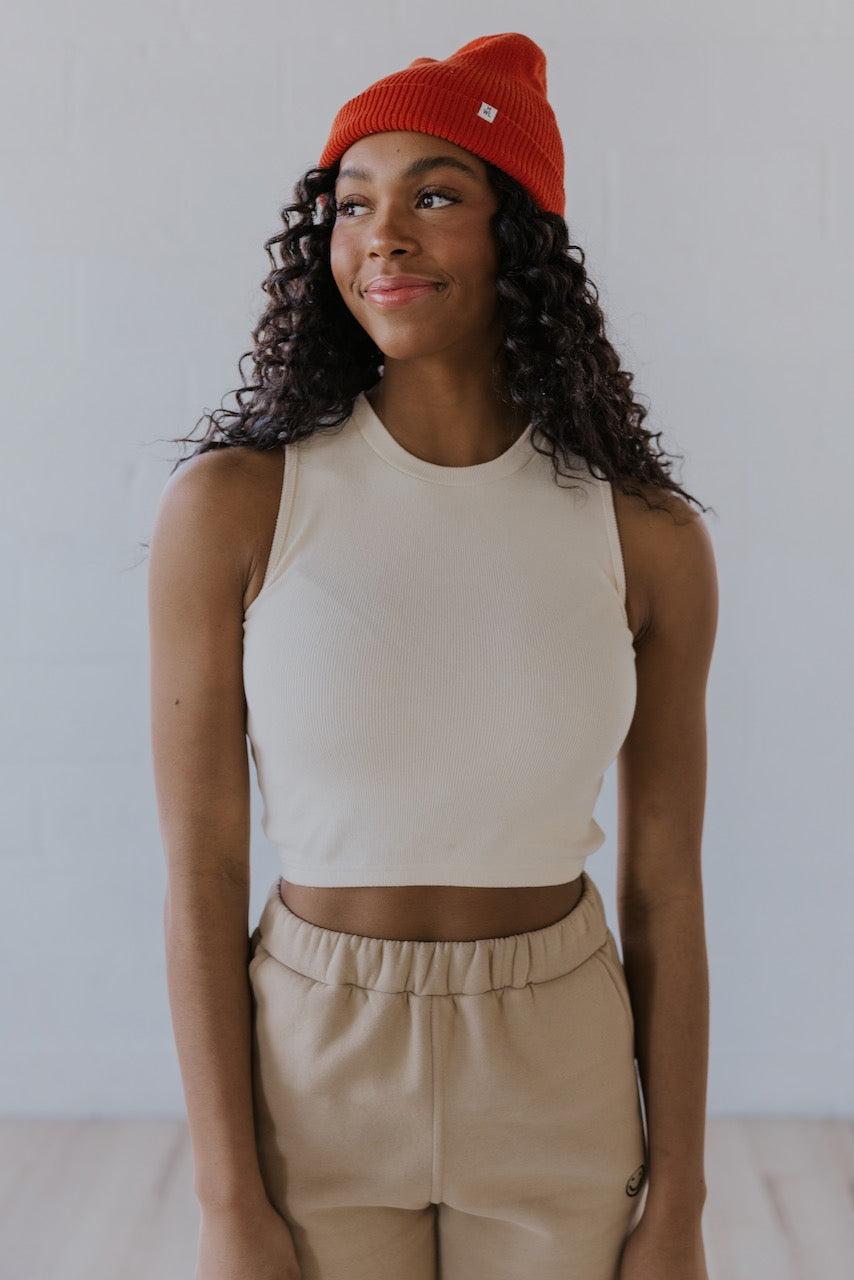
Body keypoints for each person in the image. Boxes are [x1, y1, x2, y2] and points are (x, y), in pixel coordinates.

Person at [148, 32, 717, 1280]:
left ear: (520, 235)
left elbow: (665, 891)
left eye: (435, 195)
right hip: (312, 1065)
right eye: (353, 204)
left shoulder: (645, 534)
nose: (383, 238)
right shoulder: (235, 505)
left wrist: (677, 1202)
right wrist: (225, 1194)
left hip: (557, 1058)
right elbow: (203, 868)